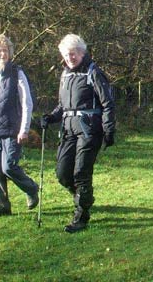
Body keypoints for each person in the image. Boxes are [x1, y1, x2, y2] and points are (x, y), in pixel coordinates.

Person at [41, 34, 116, 233]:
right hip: (68, 129)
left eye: (73, 54)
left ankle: (81, 216)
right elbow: (63, 106)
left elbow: (107, 103)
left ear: (82, 53)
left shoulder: (94, 72)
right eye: (66, 55)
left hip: (89, 129)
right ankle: (85, 197)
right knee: (63, 173)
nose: (69, 58)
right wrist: (50, 117)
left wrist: (109, 130)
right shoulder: (65, 74)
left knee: (81, 172)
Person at [0, 34, 39, 219]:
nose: (2, 54)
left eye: (5, 51)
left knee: (8, 167)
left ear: (10, 53)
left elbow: (26, 102)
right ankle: (1, 206)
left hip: (12, 131)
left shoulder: (17, 73)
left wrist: (24, 129)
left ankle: (31, 188)